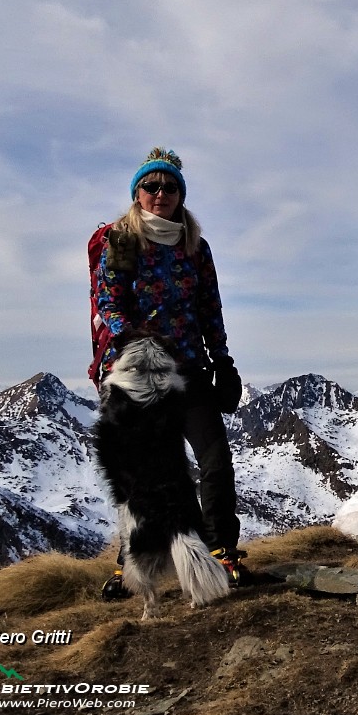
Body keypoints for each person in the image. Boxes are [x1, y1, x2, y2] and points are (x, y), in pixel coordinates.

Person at [94, 147, 247, 593]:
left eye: (170, 186)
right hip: (140, 373)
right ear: (137, 193)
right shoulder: (121, 240)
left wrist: (223, 361)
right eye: (151, 186)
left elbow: (208, 307)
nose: (160, 193)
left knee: (215, 460)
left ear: (181, 194)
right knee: (144, 474)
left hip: (190, 367)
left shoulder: (194, 246)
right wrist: (133, 340)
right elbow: (110, 302)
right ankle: (131, 561)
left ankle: (221, 551)